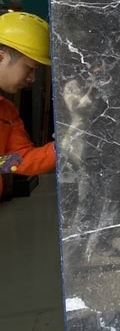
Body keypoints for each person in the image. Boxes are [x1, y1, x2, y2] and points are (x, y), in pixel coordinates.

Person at [0, 11, 55, 198]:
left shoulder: (7, 113)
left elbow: (21, 158)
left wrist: (60, 149)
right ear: (1, 57)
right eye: (29, 68)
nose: (32, 78)